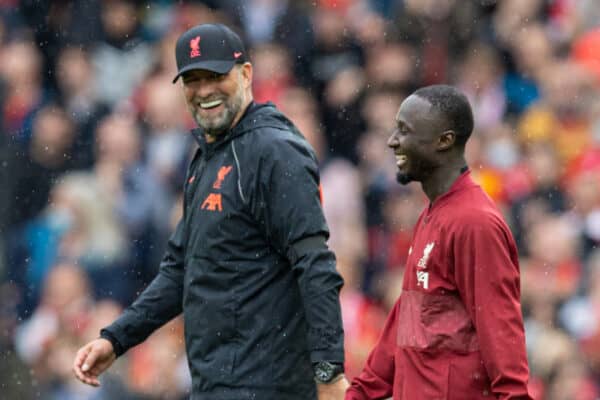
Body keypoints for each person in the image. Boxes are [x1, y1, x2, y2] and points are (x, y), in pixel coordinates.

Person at [73, 23, 348, 400]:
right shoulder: (208, 154)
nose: (203, 91)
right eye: (192, 80)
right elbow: (181, 270)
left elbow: (315, 265)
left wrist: (329, 372)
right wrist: (116, 339)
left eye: (215, 76)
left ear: (247, 74)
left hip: (268, 385)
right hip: (217, 384)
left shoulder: (274, 150)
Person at [346, 85, 533, 400]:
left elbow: (502, 336)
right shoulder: (433, 214)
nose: (392, 141)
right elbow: (408, 321)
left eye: (405, 131)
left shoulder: (474, 223)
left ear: (444, 140)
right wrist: (361, 393)